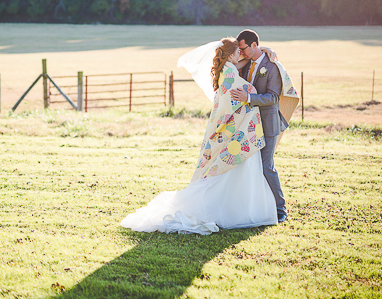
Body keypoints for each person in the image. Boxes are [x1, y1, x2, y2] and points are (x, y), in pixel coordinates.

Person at [120, 38, 285, 234]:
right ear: (231, 54)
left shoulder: (227, 68)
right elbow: (239, 95)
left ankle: (268, 208)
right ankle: (262, 209)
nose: (241, 55)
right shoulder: (230, 72)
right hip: (239, 130)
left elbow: (247, 70)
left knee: (262, 166)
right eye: (237, 52)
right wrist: (249, 94)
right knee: (257, 167)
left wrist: (266, 49)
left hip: (249, 128)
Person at [230, 29, 291, 223]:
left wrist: (248, 98)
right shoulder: (247, 64)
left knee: (266, 166)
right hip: (250, 126)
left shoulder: (272, 67)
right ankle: (258, 205)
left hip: (268, 124)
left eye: (244, 48)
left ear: (254, 45)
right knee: (253, 167)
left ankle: (280, 209)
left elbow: (273, 97)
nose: (242, 53)